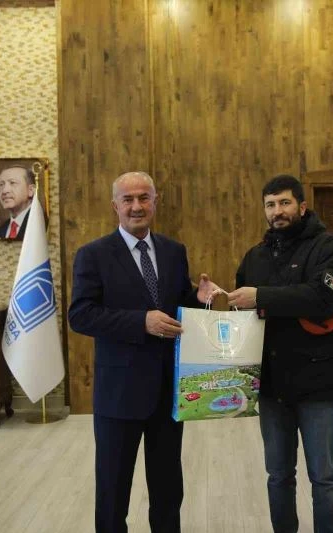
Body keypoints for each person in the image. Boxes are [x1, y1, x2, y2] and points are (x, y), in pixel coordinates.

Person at [68, 171, 219, 533]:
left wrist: (198, 300)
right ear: (115, 205)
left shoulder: (173, 251)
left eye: (144, 198)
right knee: (113, 490)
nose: (136, 206)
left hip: (167, 392)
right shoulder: (93, 255)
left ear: (155, 201)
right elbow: (81, 315)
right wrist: (141, 322)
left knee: (168, 488)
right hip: (118, 396)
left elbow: (176, 308)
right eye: (128, 199)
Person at [227, 174, 333, 533]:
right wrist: (217, 297)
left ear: (302, 206)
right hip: (271, 383)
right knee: (278, 474)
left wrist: (261, 297)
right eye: (270, 205)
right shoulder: (255, 256)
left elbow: (322, 299)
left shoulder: (328, 248)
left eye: (284, 203)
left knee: (323, 475)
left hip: (318, 382)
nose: (277, 211)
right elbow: (243, 310)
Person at [0, 165, 35, 239]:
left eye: (12, 183)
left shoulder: (41, 224)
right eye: (1, 185)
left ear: (30, 190)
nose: (4, 191)